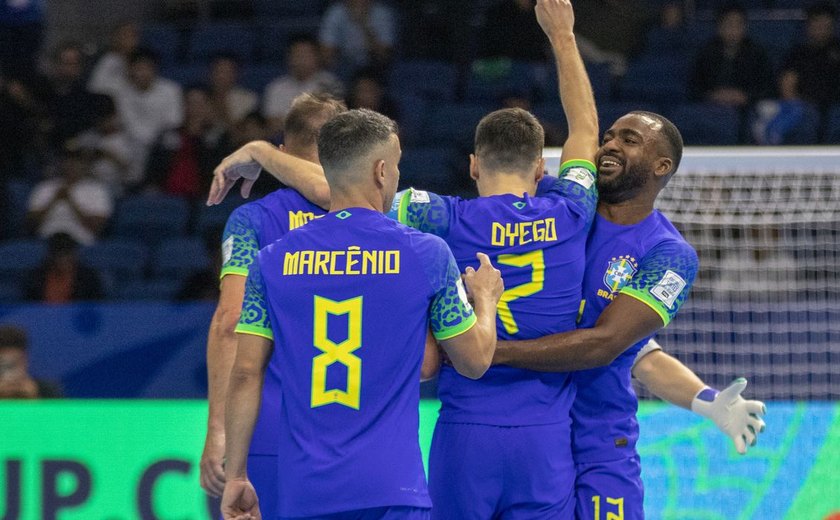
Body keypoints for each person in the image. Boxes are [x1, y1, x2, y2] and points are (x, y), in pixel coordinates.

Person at [213, 2, 598, 516]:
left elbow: (338, 191)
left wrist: (261, 152)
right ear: (540, 170)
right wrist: (563, 37)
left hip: (460, 432)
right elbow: (586, 129)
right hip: (545, 436)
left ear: (472, 165)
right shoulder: (571, 210)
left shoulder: (439, 219)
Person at [220, 108, 503, 519]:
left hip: (305, 493)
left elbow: (246, 373)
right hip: (393, 489)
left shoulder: (271, 261)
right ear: (383, 171)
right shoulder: (425, 253)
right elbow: (475, 361)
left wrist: (238, 475)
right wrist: (486, 300)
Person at [492, 109, 766, 519]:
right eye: (609, 135)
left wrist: (489, 351)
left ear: (662, 166)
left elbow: (616, 345)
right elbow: (641, 354)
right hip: (519, 428)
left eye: (630, 139)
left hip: (598, 443)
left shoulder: (666, 254)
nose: (610, 145)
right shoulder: (555, 202)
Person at [199, 94, 347, 518]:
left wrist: (219, 430)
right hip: (359, 420)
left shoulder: (253, 221)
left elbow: (231, 321)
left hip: (273, 423)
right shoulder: (379, 213)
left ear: (283, 155)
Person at [689, 5, 773, 109]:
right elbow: (694, 87)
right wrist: (713, 96)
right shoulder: (706, 53)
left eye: (738, 25)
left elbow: (768, 88)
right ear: (719, 27)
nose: (733, 31)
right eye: (728, 25)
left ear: (745, 27)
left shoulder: (757, 53)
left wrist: (746, 97)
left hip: (747, 108)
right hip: (711, 108)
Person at [26, 145, 113, 246]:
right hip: (47, 242)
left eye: (76, 161)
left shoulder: (97, 190)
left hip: (80, 243)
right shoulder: (44, 187)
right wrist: (53, 200)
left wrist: (70, 201)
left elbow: (97, 228)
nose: (71, 165)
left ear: (85, 165)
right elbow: (30, 225)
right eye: (67, 161)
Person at [262, 35, 343, 135]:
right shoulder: (276, 87)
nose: (301, 59)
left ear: (317, 56)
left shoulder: (330, 84)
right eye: (297, 54)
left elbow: (332, 121)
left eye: (306, 54)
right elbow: (272, 124)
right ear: (289, 58)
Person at [780, 2, 840, 111]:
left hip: (835, 109)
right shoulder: (797, 53)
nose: (822, 29)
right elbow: (787, 86)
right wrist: (799, 109)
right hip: (805, 109)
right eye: (817, 24)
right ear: (808, 26)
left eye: (826, 25)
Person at [318, 0, 396, 77]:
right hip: (344, 63)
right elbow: (326, 53)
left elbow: (383, 56)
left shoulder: (382, 14)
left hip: (374, 65)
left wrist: (364, 23)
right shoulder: (336, 13)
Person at [23, 232, 104, 303]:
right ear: (51, 256)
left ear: (74, 254)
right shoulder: (36, 277)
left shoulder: (88, 278)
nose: (63, 259)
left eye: (67, 253)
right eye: (59, 254)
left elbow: (96, 306)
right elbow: (29, 305)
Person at [0, 325, 62, 399]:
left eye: (15, 362)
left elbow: (60, 410)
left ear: (25, 360)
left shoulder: (47, 390)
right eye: (4, 363)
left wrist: (34, 397)